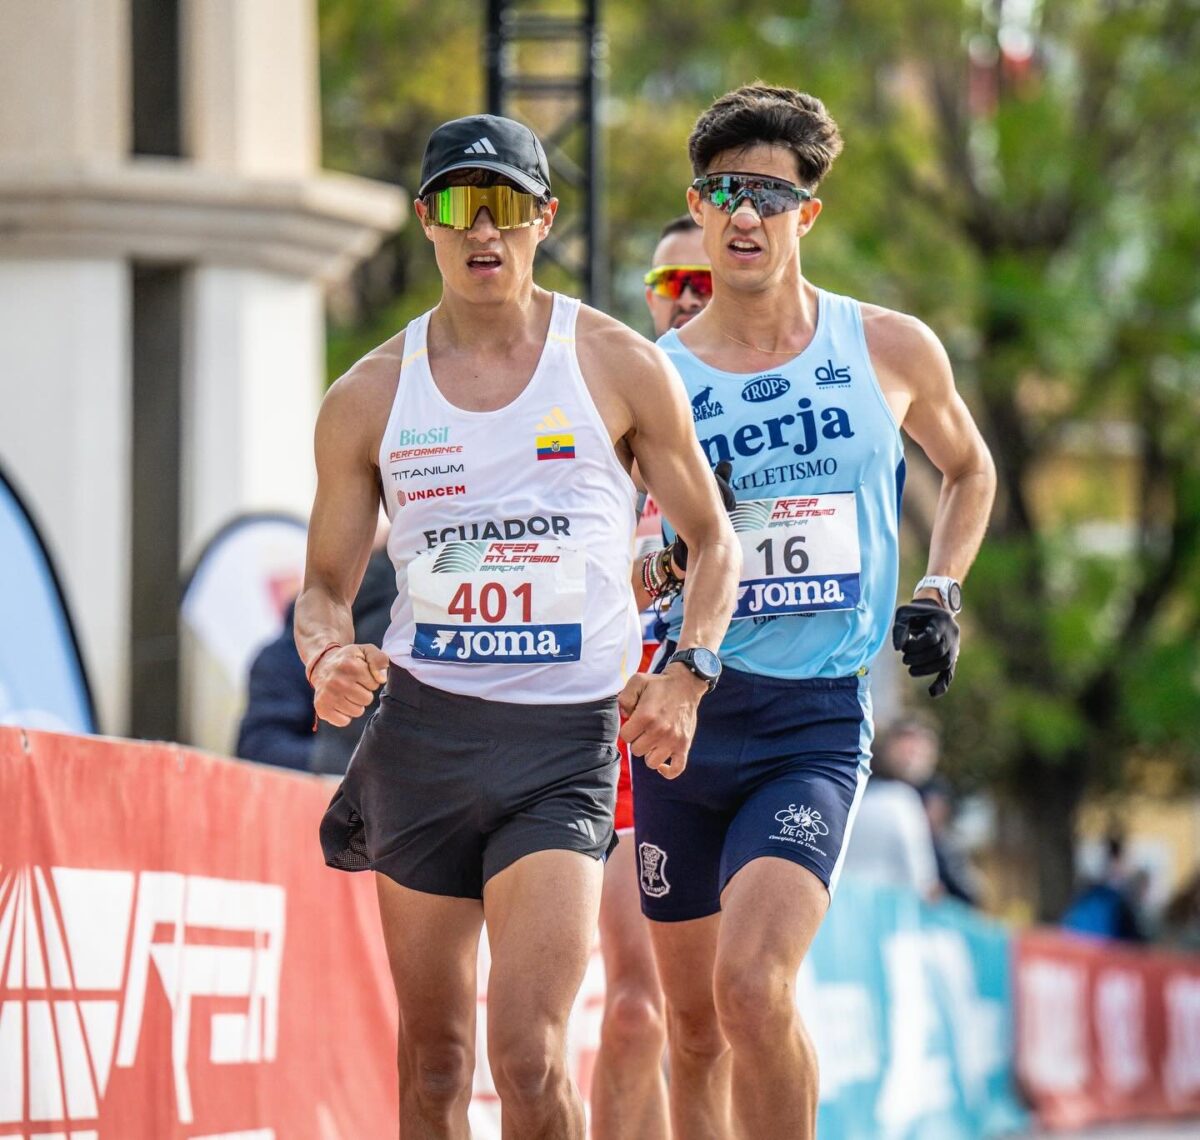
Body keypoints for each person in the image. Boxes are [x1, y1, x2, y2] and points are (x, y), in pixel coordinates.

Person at [294, 113, 739, 1139]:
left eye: (505, 207)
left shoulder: (617, 364)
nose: (481, 229)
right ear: (426, 222)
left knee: (531, 1057)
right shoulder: (367, 397)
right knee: (437, 1063)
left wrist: (690, 670)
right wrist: (326, 654)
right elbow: (324, 587)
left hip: (558, 744)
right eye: (458, 204)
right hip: (422, 742)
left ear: (543, 219)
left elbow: (716, 542)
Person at [629, 85, 996, 1139]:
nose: (746, 216)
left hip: (811, 723)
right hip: (680, 721)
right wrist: (649, 564)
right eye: (723, 193)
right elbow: (606, 537)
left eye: (769, 196)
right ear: (698, 210)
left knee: (754, 989)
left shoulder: (888, 348)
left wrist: (941, 587)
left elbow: (970, 472)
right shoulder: (651, 376)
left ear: (807, 216)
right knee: (690, 1028)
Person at [591, 214, 712, 1140]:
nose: (693, 298)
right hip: (632, 734)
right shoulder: (609, 410)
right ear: (650, 300)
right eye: (675, 286)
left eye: (707, 279)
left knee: (731, 1006)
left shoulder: (774, 398)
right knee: (636, 1009)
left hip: (745, 723)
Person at [838, 723, 940, 899]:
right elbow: (922, 878)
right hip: (887, 911)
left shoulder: (853, 795)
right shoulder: (903, 802)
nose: (914, 758)